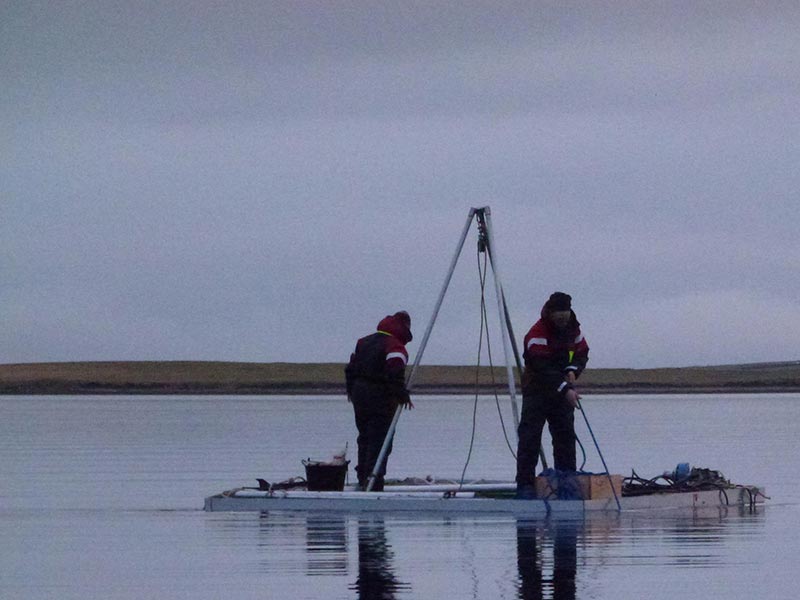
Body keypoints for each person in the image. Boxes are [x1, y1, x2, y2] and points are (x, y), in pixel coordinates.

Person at [516, 292, 589, 499]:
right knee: (530, 438)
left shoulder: (574, 330)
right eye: (558, 315)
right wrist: (565, 389)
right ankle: (525, 486)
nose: (561, 319)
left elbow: (582, 352)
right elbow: (542, 368)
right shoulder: (537, 334)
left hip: (562, 391)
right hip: (537, 391)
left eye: (565, 315)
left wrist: (574, 369)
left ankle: (567, 484)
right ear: (551, 312)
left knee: (565, 437)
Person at [345, 311, 414, 491]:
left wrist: (351, 391)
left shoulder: (363, 342)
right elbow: (395, 372)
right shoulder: (395, 346)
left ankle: (363, 479)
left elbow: (350, 369)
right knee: (380, 440)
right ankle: (374, 482)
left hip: (359, 394)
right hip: (380, 397)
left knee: (365, 437)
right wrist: (402, 394)